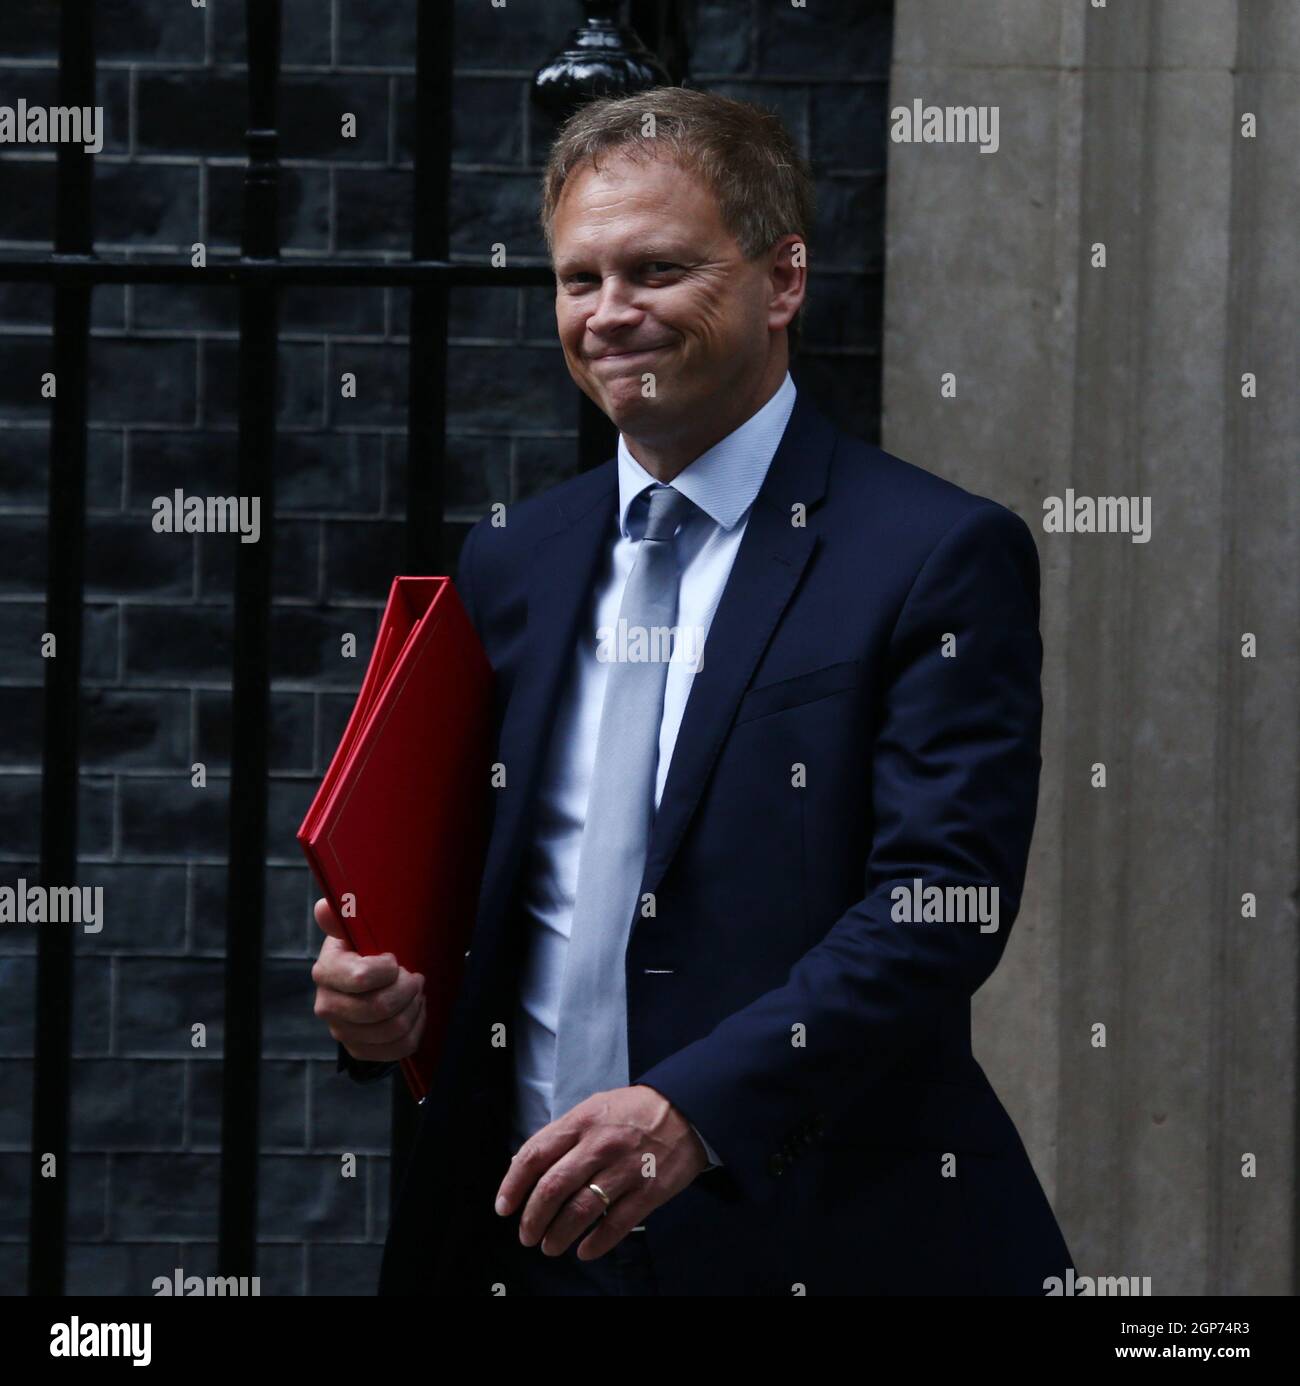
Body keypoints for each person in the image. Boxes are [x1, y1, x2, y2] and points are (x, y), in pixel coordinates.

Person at [310, 87, 1073, 1296]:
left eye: (656, 270)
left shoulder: (933, 553)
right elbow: (494, 894)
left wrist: (691, 1111)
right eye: (578, 279)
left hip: (811, 1228)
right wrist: (387, 1001)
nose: (609, 315)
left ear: (782, 280)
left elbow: (941, 900)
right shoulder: (514, 560)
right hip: (526, 1238)